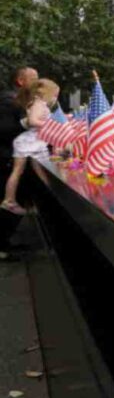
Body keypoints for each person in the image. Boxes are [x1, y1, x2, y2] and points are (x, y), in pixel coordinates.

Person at [1, 78, 57, 215]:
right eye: (55, 95)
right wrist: (50, 124)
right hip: (30, 143)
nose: (55, 98)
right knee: (23, 171)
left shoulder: (38, 104)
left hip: (33, 143)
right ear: (46, 93)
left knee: (39, 172)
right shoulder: (38, 104)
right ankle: (9, 201)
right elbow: (32, 121)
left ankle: (45, 201)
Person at [0, 68, 38, 257]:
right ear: (20, 81)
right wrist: (26, 124)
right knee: (10, 201)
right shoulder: (9, 101)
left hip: (12, 159)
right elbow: (5, 129)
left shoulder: (20, 101)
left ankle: (4, 243)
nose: (37, 82)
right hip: (6, 160)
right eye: (34, 78)